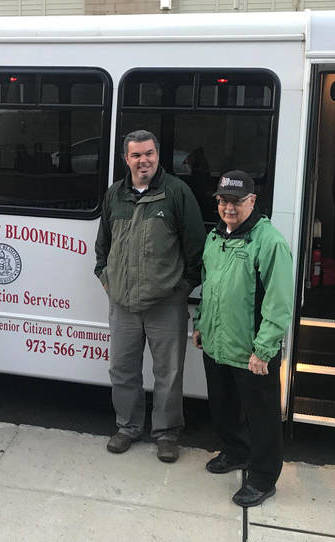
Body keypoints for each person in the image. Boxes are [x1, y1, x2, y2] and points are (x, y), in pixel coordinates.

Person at [94, 130, 206, 463]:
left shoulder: (176, 193)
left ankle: (167, 434)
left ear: (158, 155)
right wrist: (105, 276)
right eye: (136, 155)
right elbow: (103, 244)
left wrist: (181, 289)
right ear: (126, 159)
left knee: (168, 372)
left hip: (165, 304)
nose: (143, 161)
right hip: (123, 304)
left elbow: (196, 249)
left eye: (149, 154)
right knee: (122, 369)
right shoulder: (115, 195)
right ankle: (127, 428)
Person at [192, 170, 293, 507]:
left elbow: (279, 304)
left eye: (236, 201)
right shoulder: (215, 237)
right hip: (218, 343)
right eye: (223, 200)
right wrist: (200, 325)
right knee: (223, 408)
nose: (228, 208)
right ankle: (235, 452)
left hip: (253, 352)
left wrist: (264, 350)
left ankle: (263, 478)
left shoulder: (270, 242)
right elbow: (208, 288)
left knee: (261, 417)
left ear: (252, 201)